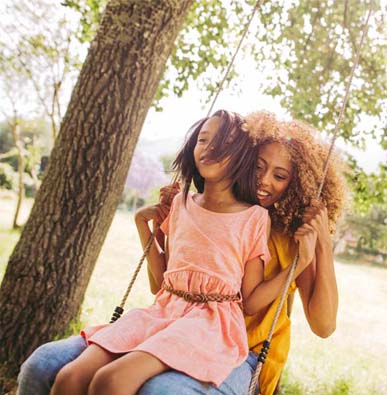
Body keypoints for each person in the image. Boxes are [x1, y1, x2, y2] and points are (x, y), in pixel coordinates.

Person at [17, 111, 345, 395]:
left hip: (239, 348)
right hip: (170, 321)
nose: (263, 181)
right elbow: (166, 284)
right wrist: (155, 225)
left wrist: (321, 245)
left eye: (279, 175)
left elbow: (323, 326)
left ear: (296, 182)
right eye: (257, 166)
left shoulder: (295, 238)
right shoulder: (201, 207)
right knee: (44, 366)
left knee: (157, 390)